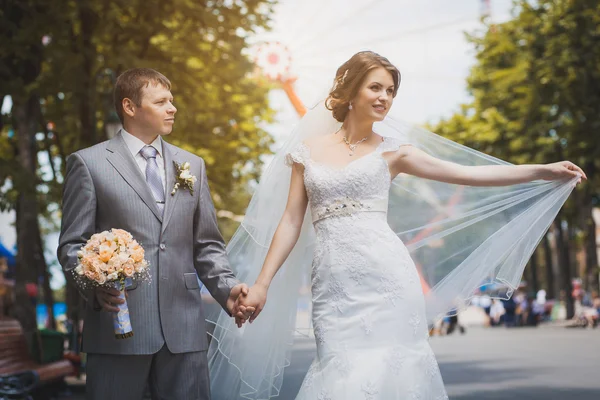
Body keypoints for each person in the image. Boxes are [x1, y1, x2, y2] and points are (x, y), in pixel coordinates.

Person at [210, 51, 585, 399]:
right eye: (375, 87)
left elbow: (467, 174)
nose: (384, 97)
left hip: (387, 278)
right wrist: (262, 284)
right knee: (338, 369)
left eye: (390, 91)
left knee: (399, 367)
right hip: (333, 285)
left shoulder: (395, 152)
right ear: (350, 90)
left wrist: (543, 171)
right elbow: (291, 220)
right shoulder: (306, 151)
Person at [57, 68, 251, 400]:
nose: (172, 108)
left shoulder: (192, 165)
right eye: (161, 101)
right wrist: (97, 283)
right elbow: (72, 244)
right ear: (130, 107)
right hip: (120, 327)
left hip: (185, 330)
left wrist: (227, 288)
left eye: (171, 100)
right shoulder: (89, 164)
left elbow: (206, 244)